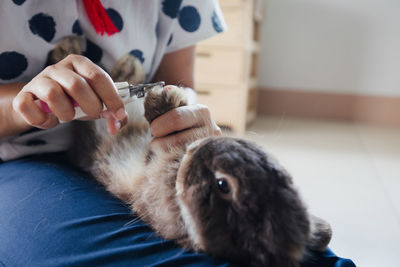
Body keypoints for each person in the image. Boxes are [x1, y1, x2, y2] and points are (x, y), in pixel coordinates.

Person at [0, 1, 355, 266]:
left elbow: (178, 82)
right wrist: (23, 104)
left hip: (143, 147)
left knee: (307, 255)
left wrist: (182, 116)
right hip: (19, 157)